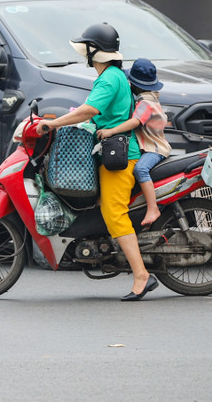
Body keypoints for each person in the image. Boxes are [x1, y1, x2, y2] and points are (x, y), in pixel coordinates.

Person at [37, 22, 158, 301]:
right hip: (114, 151)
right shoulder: (113, 76)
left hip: (121, 156)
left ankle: (142, 276)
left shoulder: (109, 78)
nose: (85, 55)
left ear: (96, 52)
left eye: (87, 49)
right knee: (107, 209)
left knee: (114, 213)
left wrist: (52, 125)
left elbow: (89, 110)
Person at [96, 58, 171, 226]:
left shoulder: (145, 103)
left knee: (141, 169)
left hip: (155, 149)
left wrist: (111, 131)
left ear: (136, 84)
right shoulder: (152, 98)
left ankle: (153, 208)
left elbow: (135, 122)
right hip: (153, 146)